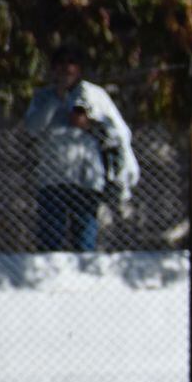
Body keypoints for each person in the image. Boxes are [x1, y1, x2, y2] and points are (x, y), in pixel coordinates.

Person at [22, 44, 139, 251]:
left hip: (86, 180)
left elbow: (119, 132)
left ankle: (83, 279)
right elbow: (32, 127)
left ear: (79, 69)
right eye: (61, 64)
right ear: (53, 69)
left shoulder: (94, 94)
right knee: (50, 243)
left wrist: (90, 124)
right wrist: (55, 100)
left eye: (71, 64)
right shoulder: (43, 97)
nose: (66, 69)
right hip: (52, 179)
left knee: (84, 243)